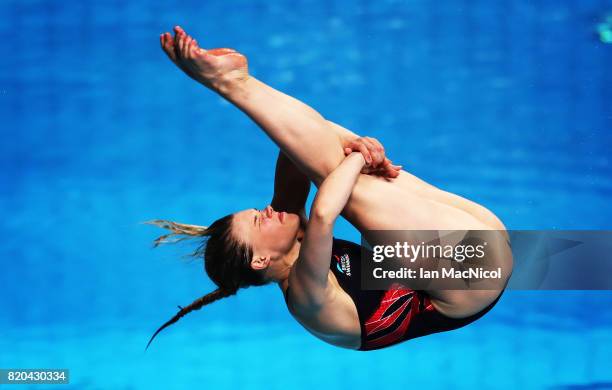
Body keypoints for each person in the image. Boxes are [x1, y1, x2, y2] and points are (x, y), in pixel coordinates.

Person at [145, 26, 513, 351]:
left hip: (477, 240)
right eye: (259, 221)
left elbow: (294, 150)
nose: (268, 210)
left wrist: (357, 146)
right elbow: (324, 214)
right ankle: (230, 84)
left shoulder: (289, 234)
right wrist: (360, 156)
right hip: (472, 277)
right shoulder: (303, 295)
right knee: (344, 187)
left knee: (329, 164)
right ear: (261, 260)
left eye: (259, 211)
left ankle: (238, 81)